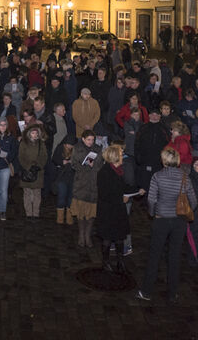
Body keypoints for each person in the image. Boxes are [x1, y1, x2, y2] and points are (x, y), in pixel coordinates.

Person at [137, 148, 197, 302]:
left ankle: (147, 291)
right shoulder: (185, 177)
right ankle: (172, 293)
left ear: (163, 160)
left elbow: (151, 199)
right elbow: (194, 202)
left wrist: (153, 213)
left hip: (161, 219)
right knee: (174, 256)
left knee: (154, 255)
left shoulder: (157, 176)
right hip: (179, 222)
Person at [96, 144, 145, 273]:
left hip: (118, 210)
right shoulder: (104, 172)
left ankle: (120, 261)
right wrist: (121, 197)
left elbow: (124, 187)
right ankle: (105, 262)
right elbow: (104, 194)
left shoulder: (118, 170)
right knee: (107, 238)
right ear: (115, 157)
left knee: (119, 237)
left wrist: (137, 190)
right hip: (108, 210)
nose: (123, 157)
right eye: (121, 155)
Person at [70, 129, 104, 247]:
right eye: (88, 140)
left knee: (91, 214)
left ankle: (87, 236)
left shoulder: (98, 149)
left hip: (94, 184)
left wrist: (94, 166)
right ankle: (81, 235)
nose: (91, 142)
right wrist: (85, 165)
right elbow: (74, 164)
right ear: (83, 139)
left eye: (92, 140)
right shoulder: (77, 148)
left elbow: (101, 164)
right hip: (81, 184)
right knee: (81, 213)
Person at [18, 125, 47, 219]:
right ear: (29, 133)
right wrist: (28, 166)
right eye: (33, 133)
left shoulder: (41, 144)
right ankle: (28, 213)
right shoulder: (23, 143)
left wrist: (38, 166)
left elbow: (44, 156)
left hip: (38, 172)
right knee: (27, 193)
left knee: (37, 194)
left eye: (36, 133)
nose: (34, 135)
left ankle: (36, 213)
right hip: (27, 172)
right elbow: (21, 157)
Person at [51, 134, 77, 225]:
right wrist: (62, 162)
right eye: (68, 144)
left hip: (72, 177)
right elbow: (54, 159)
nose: (69, 146)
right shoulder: (59, 149)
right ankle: (60, 218)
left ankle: (69, 217)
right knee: (61, 197)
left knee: (70, 198)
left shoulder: (75, 150)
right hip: (62, 177)